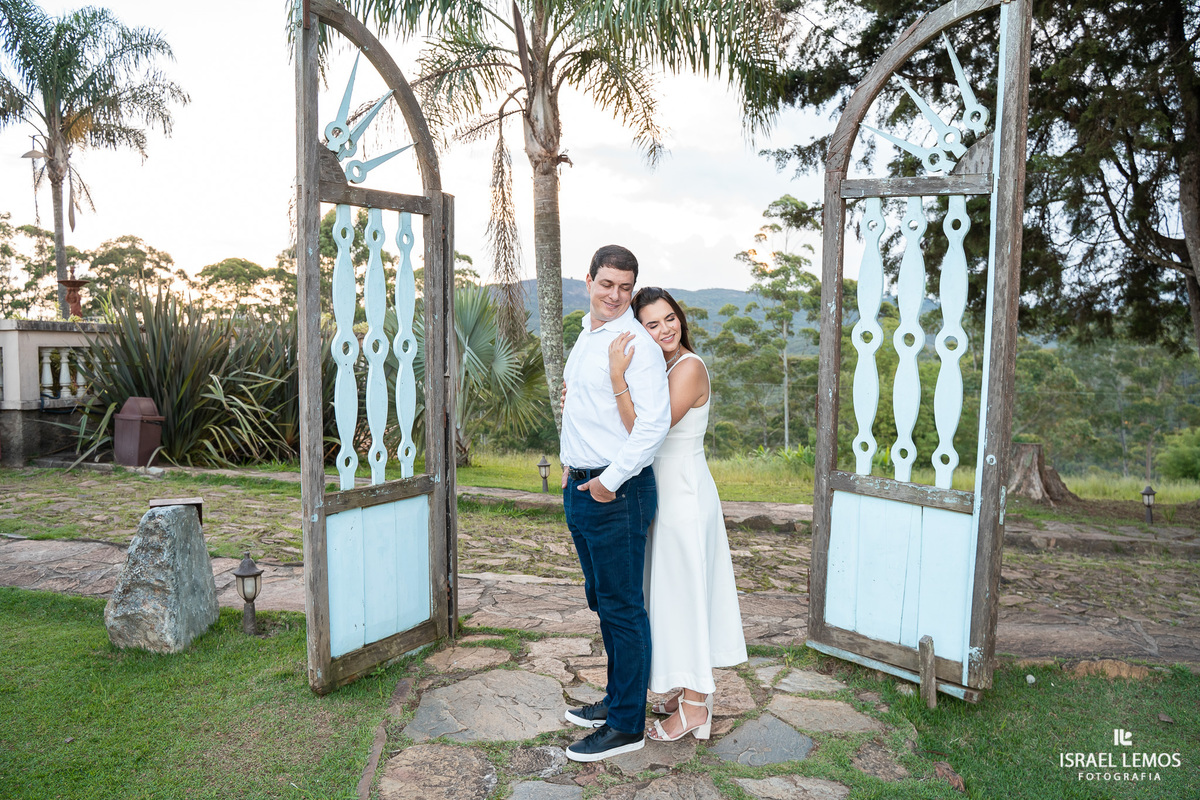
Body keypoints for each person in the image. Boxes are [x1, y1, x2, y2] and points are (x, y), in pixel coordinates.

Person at [605, 287, 747, 742]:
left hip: (684, 493)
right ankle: (679, 688)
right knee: (666, 593)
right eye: (652, 324)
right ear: (639, 330)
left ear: (680, 319)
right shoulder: (661, 366)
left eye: (670, 319)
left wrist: (616, 380)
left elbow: (643, 431)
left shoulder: (689, 369)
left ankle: (695, 706)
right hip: (662, 490)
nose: (665, 329)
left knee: (686, 595)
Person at [560, 245, 672, 762]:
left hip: (616, 493)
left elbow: (651, 426)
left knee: (623, 609)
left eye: (625, 287)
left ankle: (627, 724)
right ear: (589, 281)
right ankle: (615, 700)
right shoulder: (587, 335)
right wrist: (570, 462)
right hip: (580, 487)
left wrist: (608, 481)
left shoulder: (636, 346)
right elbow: (579, 403)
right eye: (607, 284)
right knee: (601, 601)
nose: (616, 295)